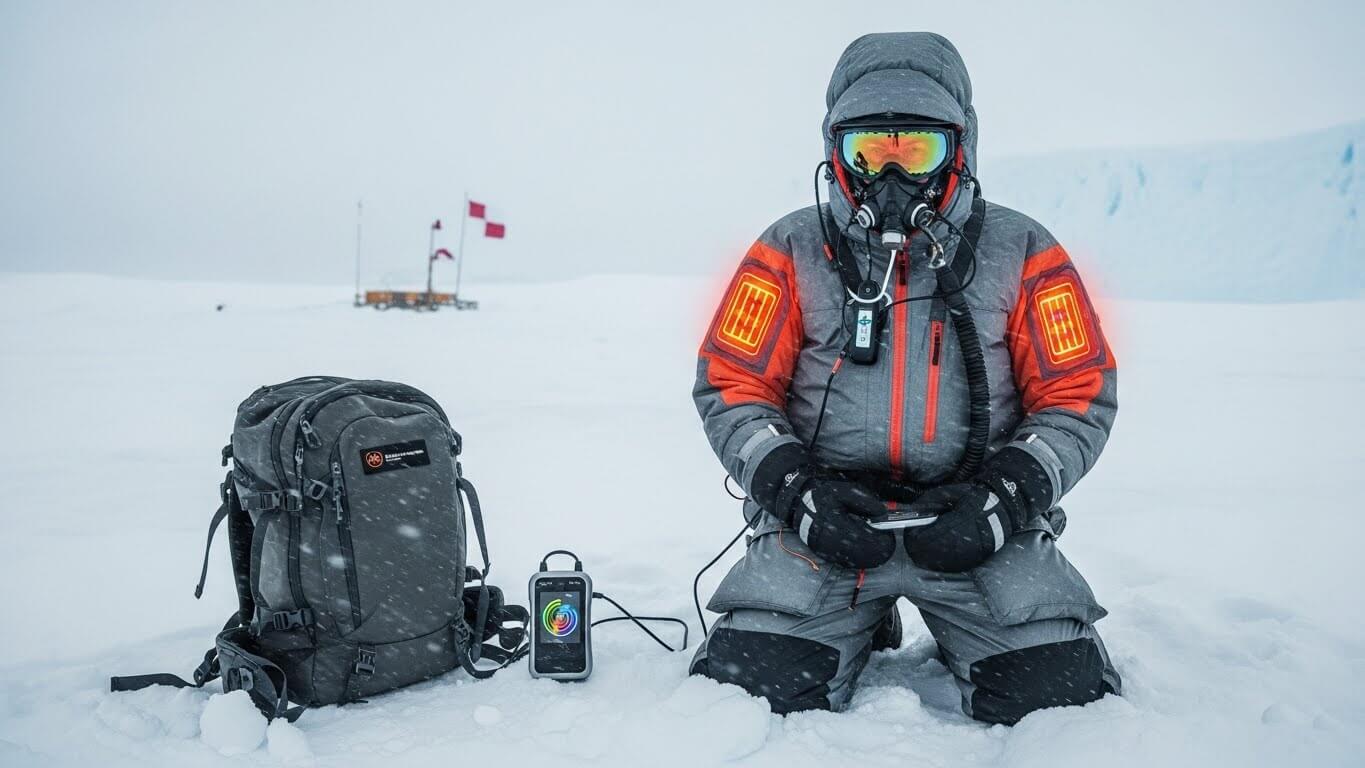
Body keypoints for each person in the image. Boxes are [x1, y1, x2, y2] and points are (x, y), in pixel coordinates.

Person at [689, 32, 1120, 725]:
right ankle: (858, 617)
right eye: (868, 152)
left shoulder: (1021, 251)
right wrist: (795, 491)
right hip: (823, 528)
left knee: (1057, 695)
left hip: (979, 528)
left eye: (916, 151)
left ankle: (945, 620)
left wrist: (1005, 497)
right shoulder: (790, 249)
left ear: (959, 151)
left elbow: (1077, 394)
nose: (890, 177)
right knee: (752, 688)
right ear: (835, 153)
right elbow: (732, 383)